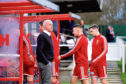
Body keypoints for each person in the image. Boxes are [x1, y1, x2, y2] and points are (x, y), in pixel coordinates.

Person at [36, 19, 54, 84]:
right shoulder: (42, 36)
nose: (51, 26)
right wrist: (46, 62)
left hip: (46, 62)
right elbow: (39, 50)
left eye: (52, 25)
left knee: (43, 82)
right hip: (45, 63)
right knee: (46, 82)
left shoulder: (48, 35)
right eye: (49, 25)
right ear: (44, 26)